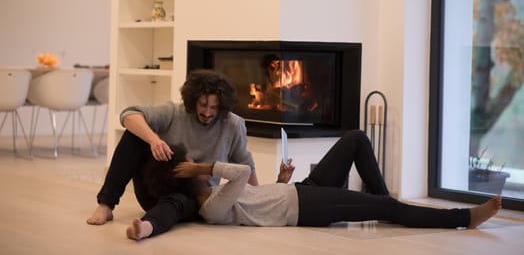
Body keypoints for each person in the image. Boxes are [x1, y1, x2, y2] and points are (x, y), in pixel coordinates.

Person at [126, 130, 502, 240]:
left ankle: (380, 203)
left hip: (300, 190)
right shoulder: (210, 209)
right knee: (388, 210)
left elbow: (252, 195)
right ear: (185, 177)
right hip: (308, 208)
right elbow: (240, 172)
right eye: (189, 167)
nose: (197, 167)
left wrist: (279, 181)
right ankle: (462, 218)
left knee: (355, 139)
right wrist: (200, 168)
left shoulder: (217, 198)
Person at [86, 69, 259, 226]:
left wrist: (257, 201)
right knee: (134, 135)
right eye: (203, 105)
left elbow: (246, 167)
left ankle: (148, 226)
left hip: (195, 199)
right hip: (156, 191)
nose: (207, 113)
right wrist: (154, 139)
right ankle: (106, 205)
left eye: (214, 107)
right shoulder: (174, 112)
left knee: (177, 203)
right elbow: (129, 115)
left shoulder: (233, 125)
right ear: (193, 101)